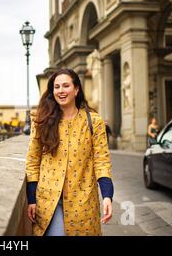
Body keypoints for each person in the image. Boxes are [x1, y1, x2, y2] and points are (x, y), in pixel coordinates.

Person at [26, 68, 113, 236]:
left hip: (83, 202)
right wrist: (31, 198)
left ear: (76, 89)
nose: (61, 91)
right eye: (56, 87)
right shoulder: (42, 121)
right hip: (49, 200)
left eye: (66, 86)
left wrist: (107, 195)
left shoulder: (93, 121)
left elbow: (101, 160)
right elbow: (33, 160)